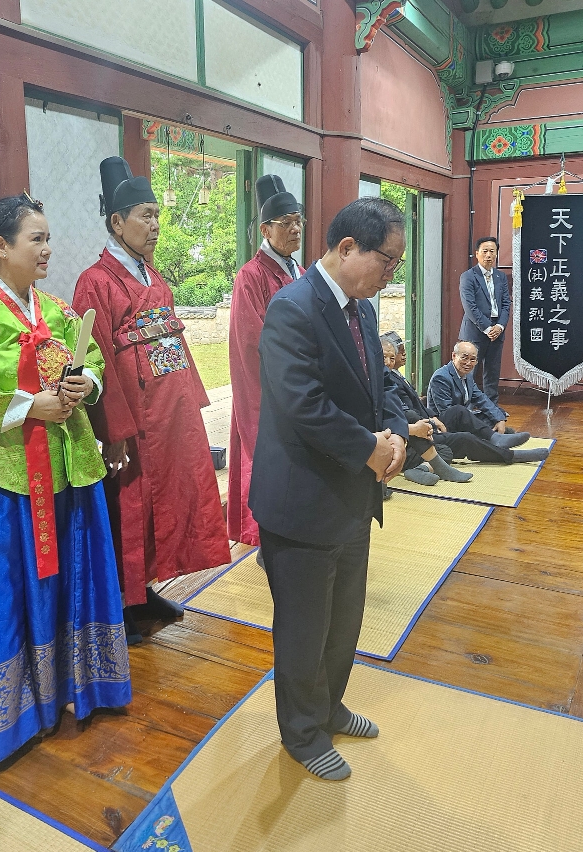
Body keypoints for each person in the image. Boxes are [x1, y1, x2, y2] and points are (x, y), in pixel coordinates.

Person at [0, 194, 131, 766]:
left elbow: (92, 360)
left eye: (48, 239)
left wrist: (85, 386)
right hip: (8, 476)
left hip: (66, 468)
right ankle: (19, 709)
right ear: (1, 246)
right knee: (11, 581)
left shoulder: (57, 311)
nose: (48, 250)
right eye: (36, 239)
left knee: (73, 571)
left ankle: (77, 683)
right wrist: (28, 405)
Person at [249, 197, 409, 781]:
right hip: (302, 502)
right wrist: (370, 449)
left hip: (350, 497)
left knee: (344, 621)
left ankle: (330, 707)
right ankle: (301, 733)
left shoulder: (360, 309)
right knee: (304, 628)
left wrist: (396, 434)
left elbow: (380, 386)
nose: (390, 274)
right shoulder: (292, 308)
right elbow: (304, 406)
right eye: (387, 261)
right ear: (347, 248)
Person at [72, 157, 230, 645]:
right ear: (117, 223)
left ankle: (145, 590)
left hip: (170, 414)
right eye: (146, 215)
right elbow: (96, 359)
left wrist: (189, 404)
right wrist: (114, 432)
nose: (156, 224)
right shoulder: (95, 282)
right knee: (131, 508)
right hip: (134, 420)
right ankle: (121, 603)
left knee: (170, 504)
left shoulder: (152, 276)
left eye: (157, 214)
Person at [228, 175, 305, 551]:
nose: (295, 229)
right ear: (265, 229)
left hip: (302, 384)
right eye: (286, 222)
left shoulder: (300, 271)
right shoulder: (251, 276)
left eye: (298, 221)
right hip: (270, 389)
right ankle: (265, 535)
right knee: (267, 458)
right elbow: (249, 343)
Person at [382, 336, 549, 469]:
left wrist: (499, 418)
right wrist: (433, 420)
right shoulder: (441, 377)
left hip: (432, 421)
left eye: (473, 359)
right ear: (454, 356)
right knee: (464, 428)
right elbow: (435, 411)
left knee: (493, 422)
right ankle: (508, 453)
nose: (468, 363)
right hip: (432, 425)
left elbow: (481, 398)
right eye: (464, 358)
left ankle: (496, 438)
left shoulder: (397, 376)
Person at [381, 339, 472, 486]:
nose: (388, 362)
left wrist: (425, 424)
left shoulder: (388, 379)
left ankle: (420, 469)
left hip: (405, 439)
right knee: (461, 435)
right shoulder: (370, 382)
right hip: (380, 444)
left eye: (392, 358)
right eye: (383, 357)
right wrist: (414, 429)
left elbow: (401, 408)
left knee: (444, 450)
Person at [459, 237, 511, 405]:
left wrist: (500, 326)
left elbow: (506, 303)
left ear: (496, 254)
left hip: (497, 330)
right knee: (469, 371)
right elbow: (470, 307)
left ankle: (491, 408)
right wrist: (488, 328)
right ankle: (467, 408)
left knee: (492, 372)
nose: (488, 255)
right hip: (475, 332)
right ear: (477, 254)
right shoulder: (468, 276)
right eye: (485, 251)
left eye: (492, 251)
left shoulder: (500, 277)